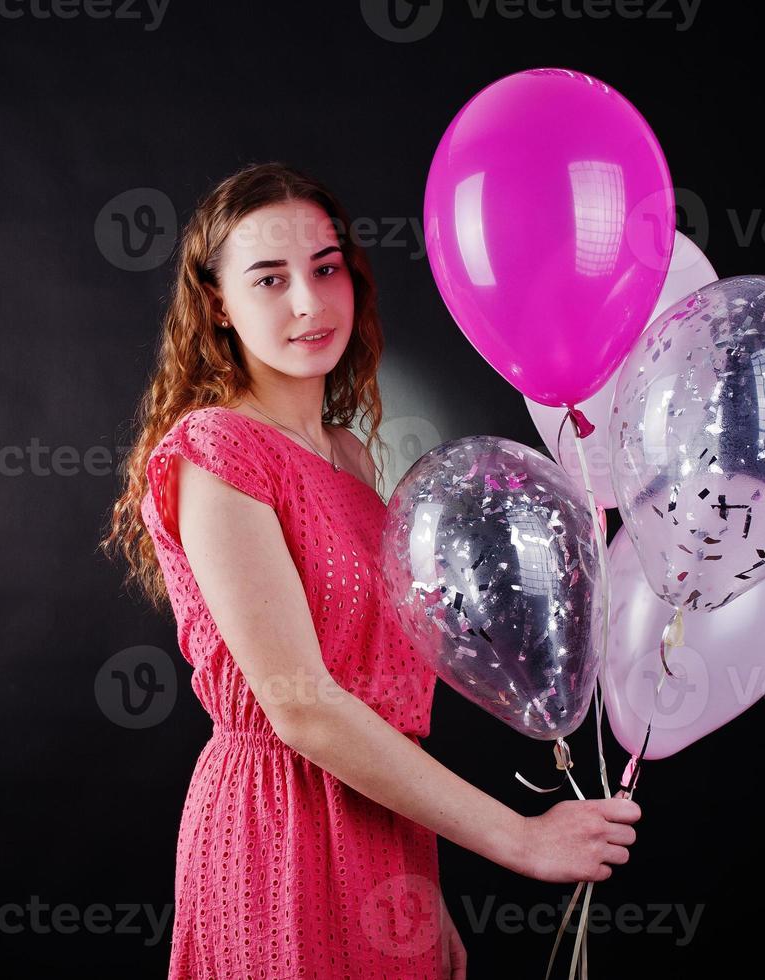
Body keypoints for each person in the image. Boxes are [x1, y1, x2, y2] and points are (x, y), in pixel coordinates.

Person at [100, 161, 640, 978]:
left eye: (324, 268)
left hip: (384, 833)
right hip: (277, 827)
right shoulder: (216, 453)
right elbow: (305, 710)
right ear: (216, 301)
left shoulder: (350, 456)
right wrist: (520, 838)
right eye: (270, 279)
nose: (309, 302)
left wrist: (422, 895)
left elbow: (373, 700)